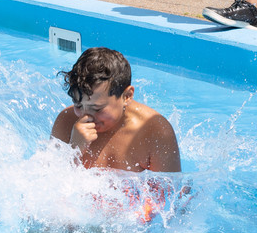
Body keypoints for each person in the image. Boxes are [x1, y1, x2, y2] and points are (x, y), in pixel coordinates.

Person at [51, 47, 181, 172]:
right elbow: (49, 179)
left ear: (127, 96)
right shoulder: (66, 122)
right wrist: (74, 150)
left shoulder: (155, 133)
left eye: (97, 108)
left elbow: (171, 187)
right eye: (78, 106)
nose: (86, 117)